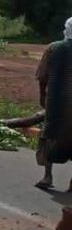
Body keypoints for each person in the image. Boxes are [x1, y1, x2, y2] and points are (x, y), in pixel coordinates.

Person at [33, 17, 72, 191]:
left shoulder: (54, 48)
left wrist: (42, 96)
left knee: (50, 134)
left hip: (56, 101)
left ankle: (47, 176)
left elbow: (42, 76)